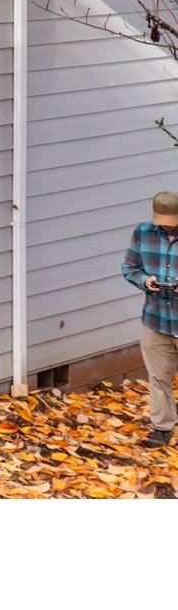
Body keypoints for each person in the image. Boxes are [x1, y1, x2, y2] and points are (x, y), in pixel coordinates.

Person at [122, 190, 178, 447]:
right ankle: (162, 428)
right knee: (158, 378)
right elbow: (130, 268)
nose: (167, 226)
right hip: (156, 320)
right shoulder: (142, 233)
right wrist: (145, 281)